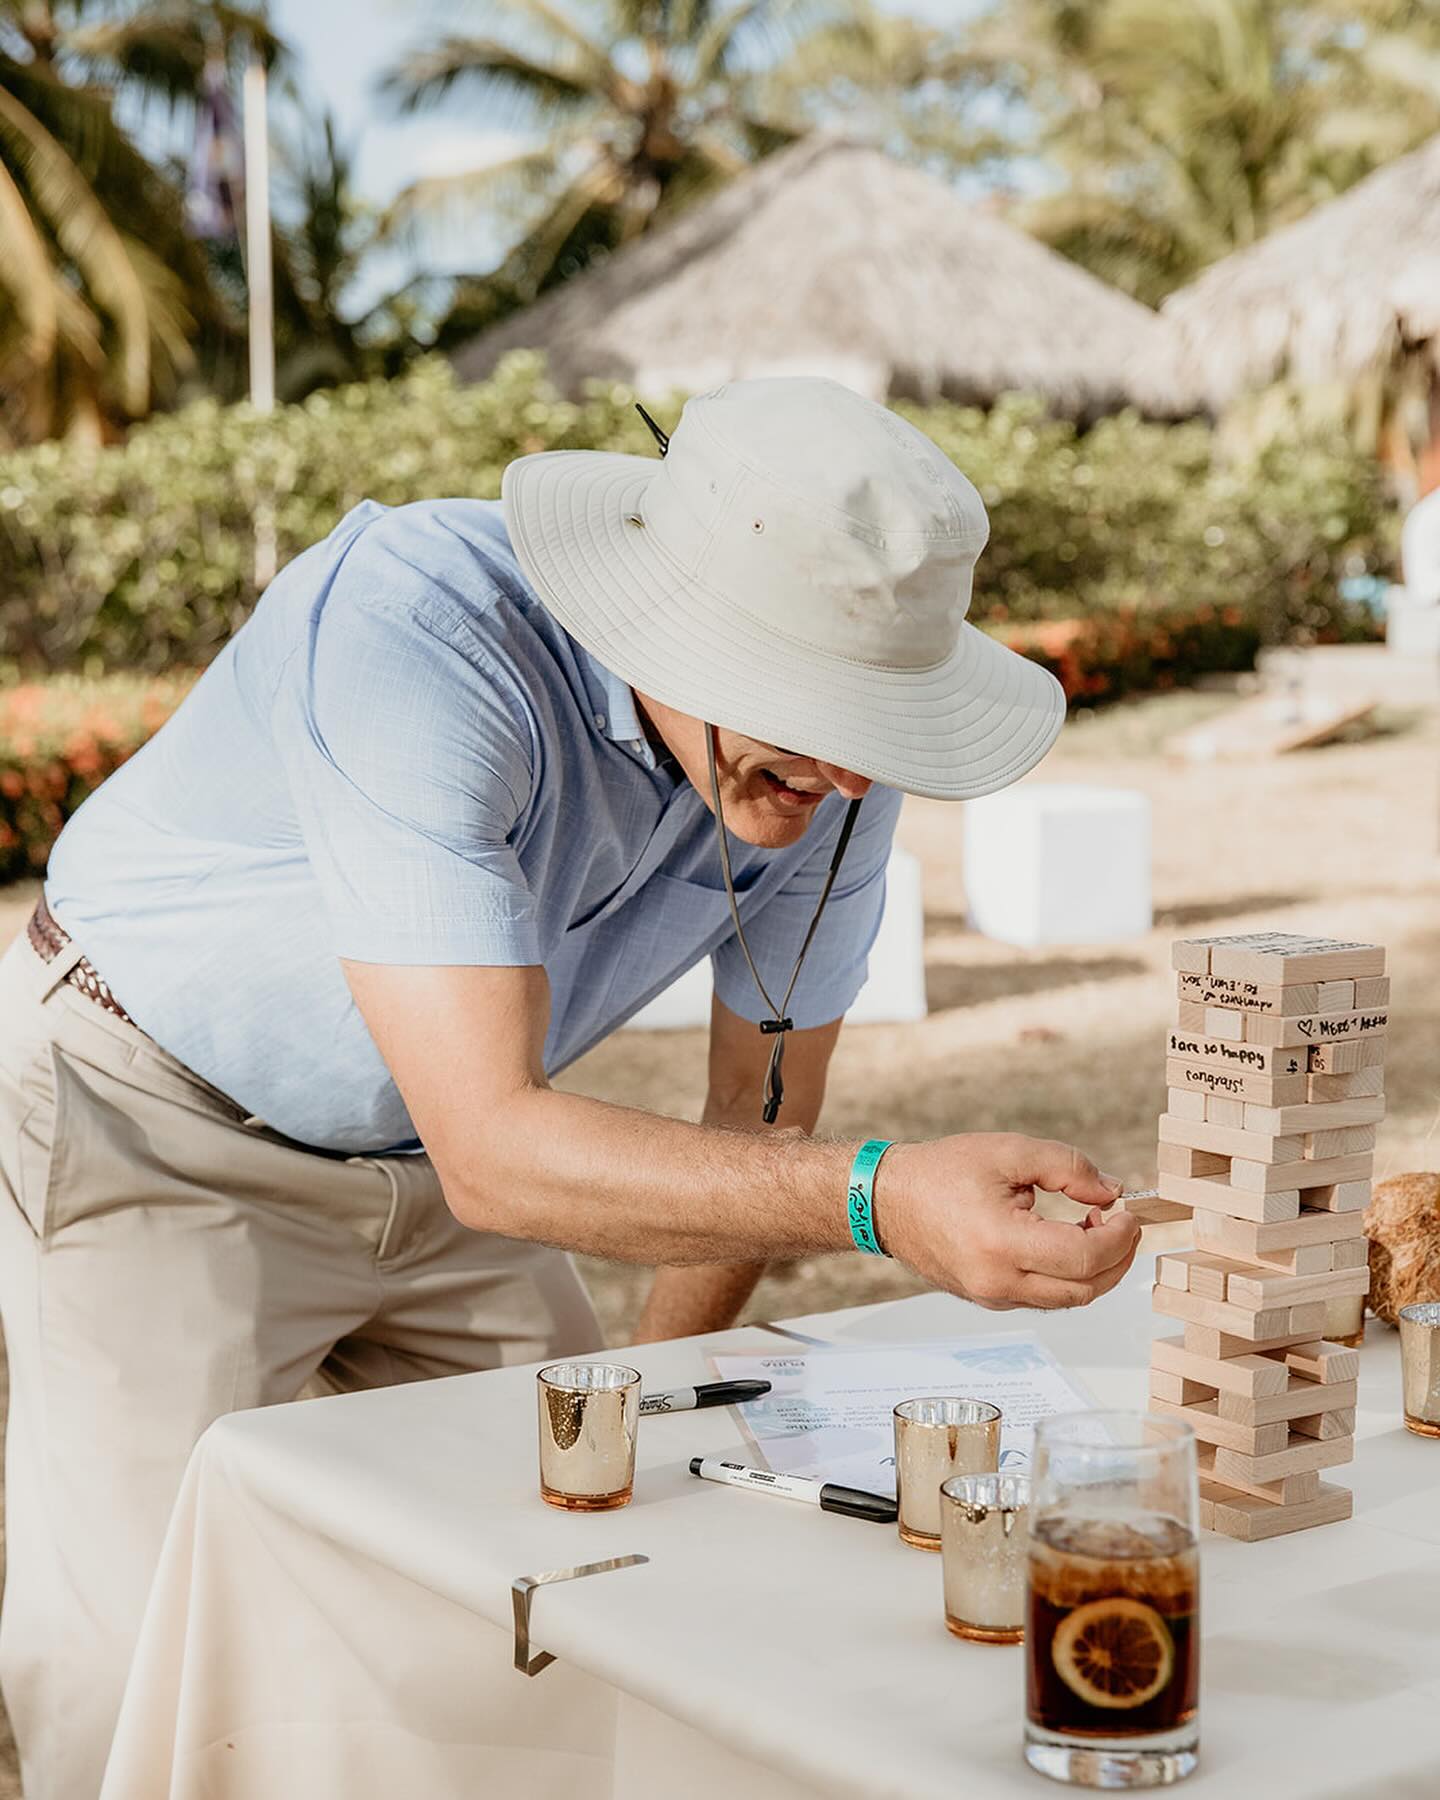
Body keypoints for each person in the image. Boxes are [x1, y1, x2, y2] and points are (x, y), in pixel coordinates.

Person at [0, 377, 1141, 1798]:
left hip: (450, 1145)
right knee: (135, 1655)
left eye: (878, 717)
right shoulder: (419, 631)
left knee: (576, 1578)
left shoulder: (838, 771)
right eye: (818, 706)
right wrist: (881, 1200)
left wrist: (664, 1397)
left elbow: (763, 1121)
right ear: (672, 620)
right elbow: (503, 1150)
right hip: (154, 1114)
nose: (852, 767)